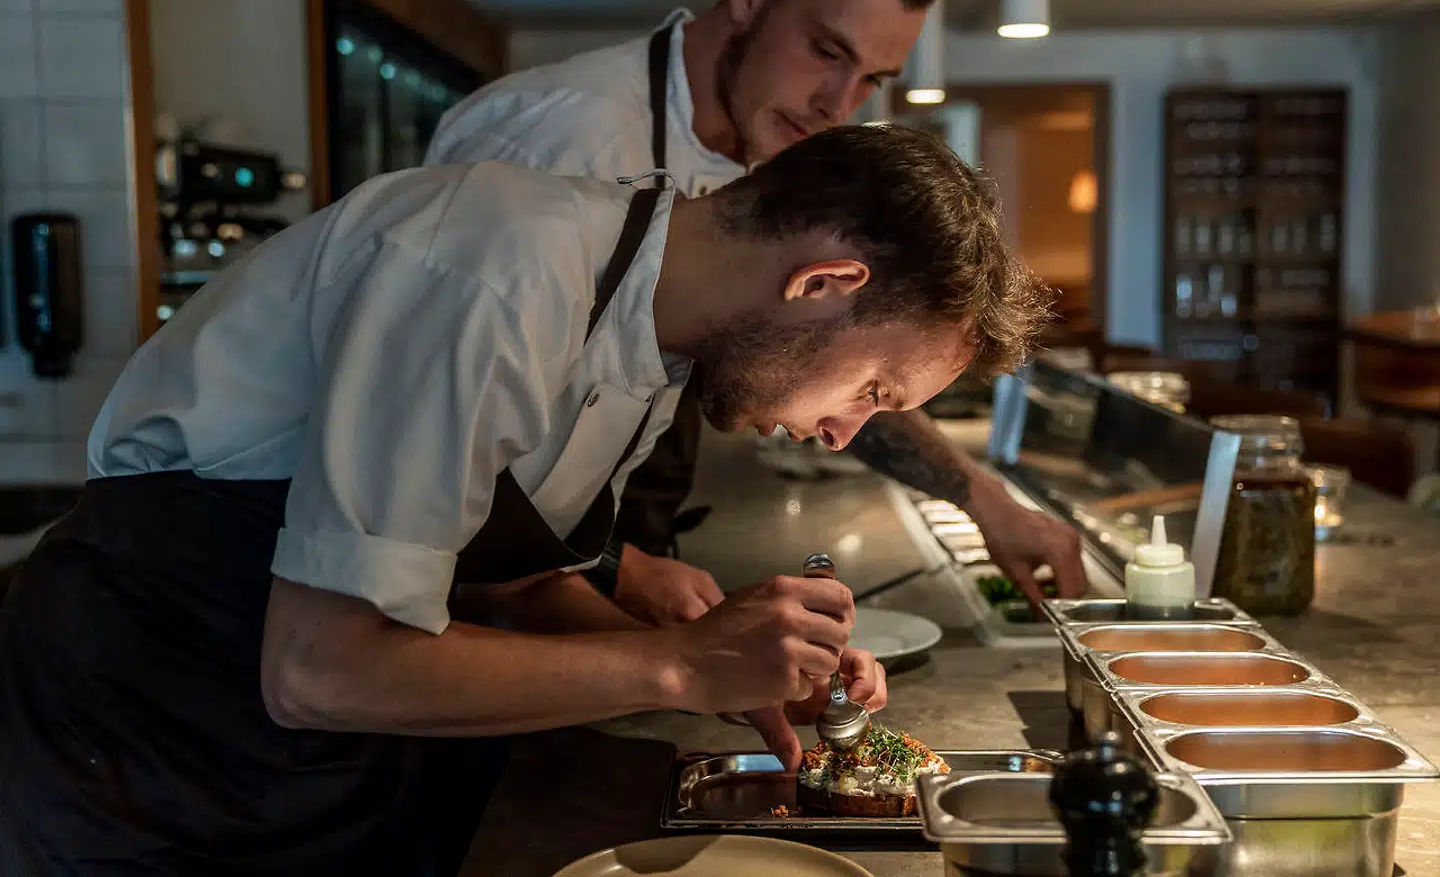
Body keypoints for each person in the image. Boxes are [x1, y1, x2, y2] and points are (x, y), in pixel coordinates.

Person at [0, 124, 1050, 875]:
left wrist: (739, 671)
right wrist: (678, 663)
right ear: (823, 284)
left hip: (307, 756)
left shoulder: (660, 344)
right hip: (142, 733)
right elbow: (320, 665)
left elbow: (507, 583)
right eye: (873, 390)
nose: (844, 433)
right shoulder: (494, 277)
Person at [426, 0, 1086, 630]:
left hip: (575, 558)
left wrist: (980, 497)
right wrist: (618, 571)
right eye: (828, 51)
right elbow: (426, 438)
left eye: (872, 79)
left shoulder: (773, 151)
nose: (839, 103)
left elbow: (821, 360)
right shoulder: (555, 139)